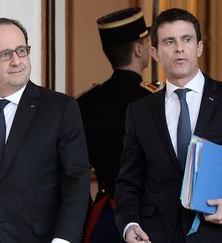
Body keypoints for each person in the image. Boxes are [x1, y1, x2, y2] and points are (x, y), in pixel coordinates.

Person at [114, 8, 222, 243]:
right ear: (155, 53)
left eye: (187, 39)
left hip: (219, 235)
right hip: (157, 235)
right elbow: (128, 181)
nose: (179, 48)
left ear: (199, 47)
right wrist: (129, 225)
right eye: (169, 41)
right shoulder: (139, 112)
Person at [0, 18, 90, 243]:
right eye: (5, 54)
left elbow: (76, 182)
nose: (17, 61)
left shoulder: (60, 109)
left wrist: (63, 239)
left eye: (22, 50)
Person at [78, 8, 156, 243]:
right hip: (146, 217)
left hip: (103, 215)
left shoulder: (85, 103)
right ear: (138, 49)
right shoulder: (153, 101)